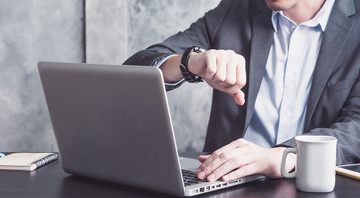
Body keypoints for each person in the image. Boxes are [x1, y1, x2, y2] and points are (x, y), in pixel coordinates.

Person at [124, 0, 360, 182]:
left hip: (321, 192)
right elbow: (135, 69)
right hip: (228, 189)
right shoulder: (237, 9)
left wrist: (281, 157)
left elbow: (356, 129)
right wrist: (190, 62)